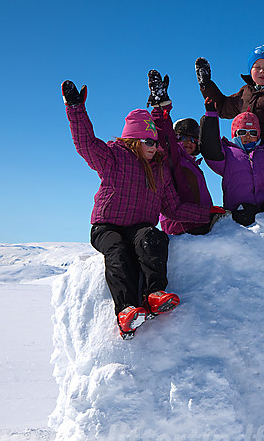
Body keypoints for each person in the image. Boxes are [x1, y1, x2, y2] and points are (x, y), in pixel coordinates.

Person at [62, 79, 225, 339]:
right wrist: (75, 110)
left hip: (139, 226)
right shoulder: (113, 157)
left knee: (154, 238)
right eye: (148, 142)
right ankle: (126, 310)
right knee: (117, 251)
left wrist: (208, 214)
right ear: (133, 140)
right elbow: (86, 144)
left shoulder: (160, 169)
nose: (154, 147)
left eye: (155, 142)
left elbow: (174, 208)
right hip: (107, 226)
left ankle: (155, 294)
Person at [195, 44, 264, 211]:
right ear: (250, 70)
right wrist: (206, 85)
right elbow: (222, 106)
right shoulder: (246, 93)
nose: (262, 71)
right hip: (249, 157)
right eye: (257, 67)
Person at [199, 91, 264, 226]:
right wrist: (211, 115)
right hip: (240, 208)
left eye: (252, 132)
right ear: (234, 134)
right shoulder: (228, 154)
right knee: (246, 214)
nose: (248, 136)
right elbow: (211, 146)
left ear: (258, 135)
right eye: (242, 132)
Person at [146, 69, 216, 236]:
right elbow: (164, 137)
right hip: (180, 226)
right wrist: (160, 109)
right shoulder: (171, 157)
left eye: (192, 139)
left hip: (196, 222)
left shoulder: (193, 165)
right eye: (183, 137)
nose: (188, 143)